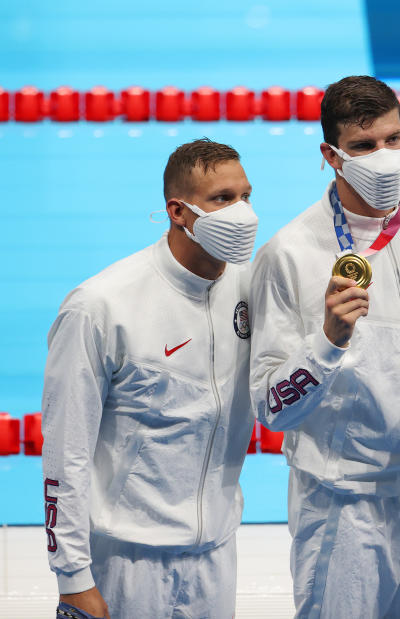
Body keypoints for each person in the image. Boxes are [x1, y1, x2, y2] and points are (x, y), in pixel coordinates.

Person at [248, 75, 400, 619]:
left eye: (393, 139)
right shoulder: (290, 254)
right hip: (344, 503)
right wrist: (326, 344)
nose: (385, 158)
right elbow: (269, 407)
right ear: (331, 154)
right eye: (364, 146)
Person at [42, 138, 258, 618]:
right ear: (178, 212)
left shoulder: (251, 288)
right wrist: (73, 577)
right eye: (223, 199)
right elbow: (64, 450)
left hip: (216, 554)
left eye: (246, 196)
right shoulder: (100, 306)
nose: (242, 213)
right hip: (126, 559)